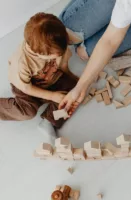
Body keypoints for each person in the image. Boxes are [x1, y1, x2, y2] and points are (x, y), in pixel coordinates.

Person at [0, 13, 79, 142]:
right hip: (26, 87)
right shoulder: (23, 62)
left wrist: (70, 76)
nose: (58, 57)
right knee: (27, 111)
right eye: (53, 57)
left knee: (72, 93)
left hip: (48, 79)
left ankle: (49, 121)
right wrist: (52, 96)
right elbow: (26, 87)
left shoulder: (57, 42)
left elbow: (63, 64)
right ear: (39, 54)